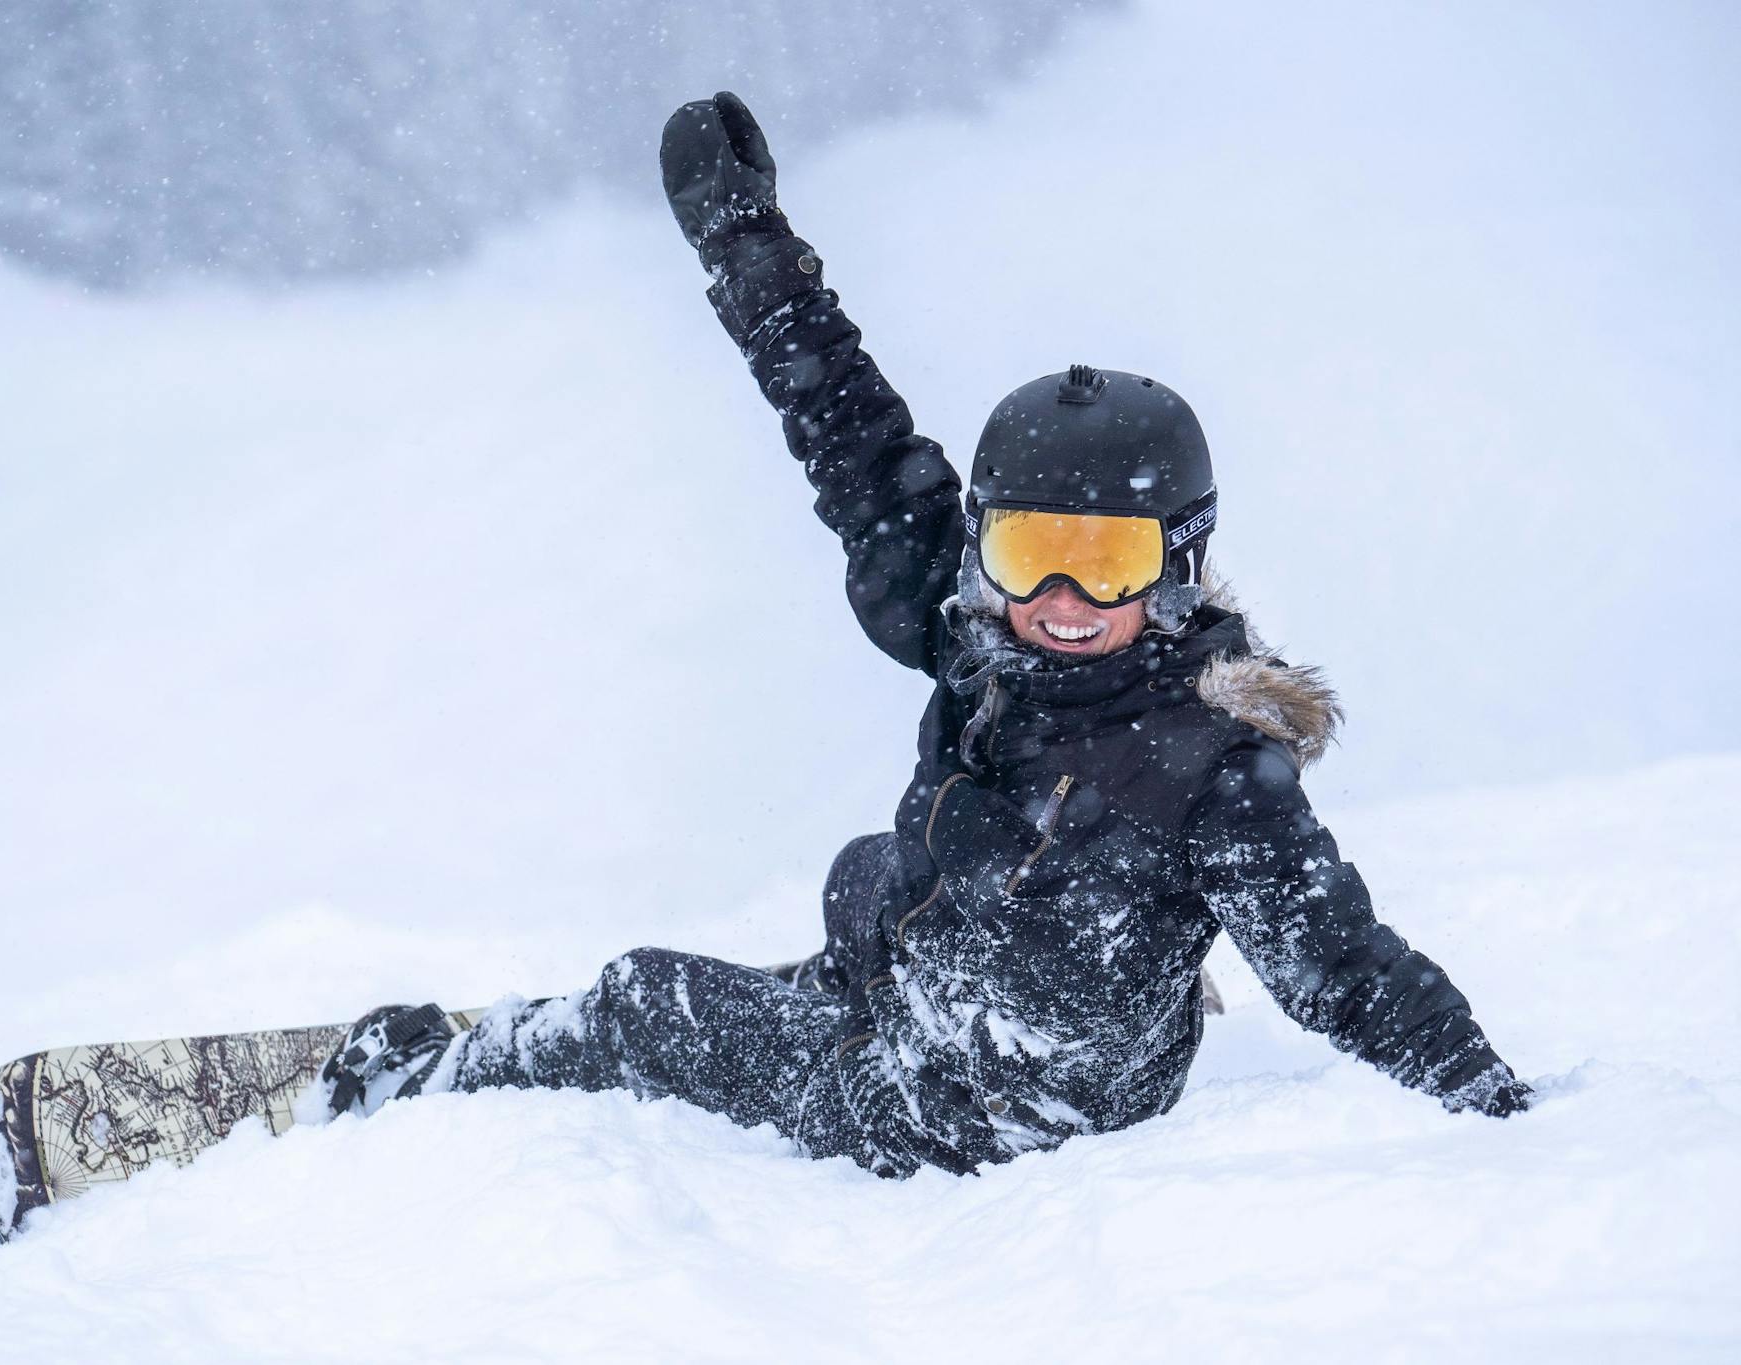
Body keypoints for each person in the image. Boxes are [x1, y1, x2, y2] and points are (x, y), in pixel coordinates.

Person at [316, 93, 1531, 1177]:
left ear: (1178, 566)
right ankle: (772, 1005)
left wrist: (1502, 1109)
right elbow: (855, 440)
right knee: (867, 876)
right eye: (1025, 554)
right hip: (950, 984)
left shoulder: (1212, 771)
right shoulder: (983, 640)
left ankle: (434, 1084)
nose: (1060, 597)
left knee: (646, 1001)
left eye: (1107, 563)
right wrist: (748, 247)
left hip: (964, 1108)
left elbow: (1350, 973)